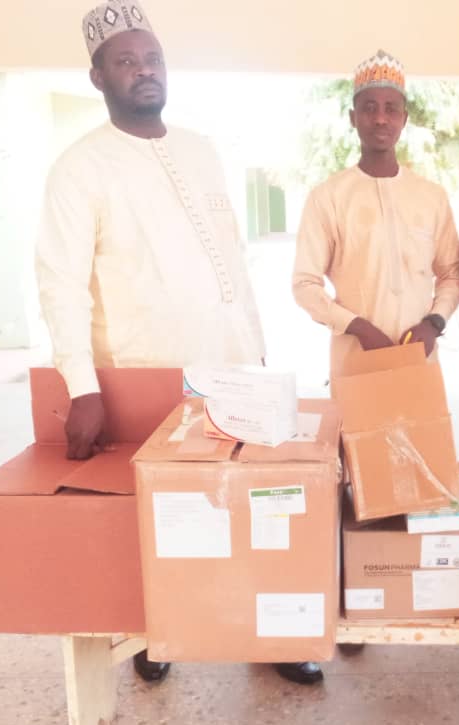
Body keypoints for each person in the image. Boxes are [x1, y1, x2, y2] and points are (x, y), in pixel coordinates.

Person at [35, 2, 319, 686]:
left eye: (152, 58)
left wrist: (255, 347)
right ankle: (155, 633)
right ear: (98, 75)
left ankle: (268, 633)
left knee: (252, 503)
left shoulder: (200, 148)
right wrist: (81, 387)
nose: (144, 73)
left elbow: (233, 258)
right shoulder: (80, 168)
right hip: (147, 371)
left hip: (230, 366)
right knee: (164, 516)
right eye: (126, 62)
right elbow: (60, 284)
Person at [292, 49, 459, 379]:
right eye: (369, 108)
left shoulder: (431, 197)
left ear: (404, 118)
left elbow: (452, 274)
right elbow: (304, 284)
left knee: (421, 431)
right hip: (355, 362)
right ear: (353, 117)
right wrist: (357, 327)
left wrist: (434, 322)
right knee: (357, 432)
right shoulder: (328, 197)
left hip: (419, 358)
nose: (381, 118)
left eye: (391, 109)